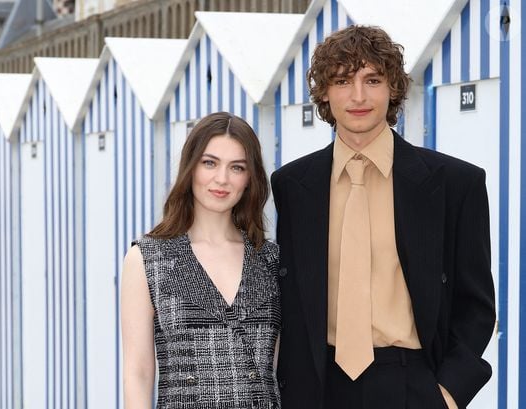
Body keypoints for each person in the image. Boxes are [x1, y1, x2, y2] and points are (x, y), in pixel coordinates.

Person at [271, 25, 495, 409]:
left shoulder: (456, 184)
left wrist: (448, 394)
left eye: (372, 79)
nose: (358, 96)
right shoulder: (292, 185)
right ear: (324, 93)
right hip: (318, 387)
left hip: (414, 385)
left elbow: (476, 305)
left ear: (393, 87)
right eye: (342, 81)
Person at [121, 112, 281, 409]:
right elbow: (138, 373)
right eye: (210, 163)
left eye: (237, 167)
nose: (222, 179)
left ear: (250, 179)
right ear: (190, 168)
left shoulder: (270, 259)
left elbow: (276, 368)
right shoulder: (147, 258)